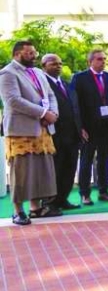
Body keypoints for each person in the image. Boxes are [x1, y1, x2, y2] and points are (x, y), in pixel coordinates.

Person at [1, 40, 59, 225]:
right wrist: (43, 113)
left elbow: (50, 95)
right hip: (21, 131)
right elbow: (13, 101)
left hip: (42, 129)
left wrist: (53, 113)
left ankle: (36, 208)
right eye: (29, 53)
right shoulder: (7, 73)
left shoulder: (38, 72)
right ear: (17, 54)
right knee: (21, 171)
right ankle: (18, 211)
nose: (34, 56)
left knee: (40, 169)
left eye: (35, 53)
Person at [72, 48, 108, 205]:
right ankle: (85, 193)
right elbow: (76, 104)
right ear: (90, 61)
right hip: (88, 127)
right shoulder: (79, 78)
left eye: (104, 59)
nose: (103, 62)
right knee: (86, 160)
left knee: (104, 159)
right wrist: (80, 127)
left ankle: (104, 191)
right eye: (99, 59)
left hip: (106, 125)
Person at [41, 53, 82, 210]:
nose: (57, 66)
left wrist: (80, 129)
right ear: (43, 66)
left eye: (59, 63)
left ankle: (63, 199)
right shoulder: (42, 85)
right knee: (55, 170)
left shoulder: (66, 84)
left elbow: (75, 108)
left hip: (72, 135)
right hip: (54, 135)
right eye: (53, 63)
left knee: (69, 169)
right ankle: (50, 203)